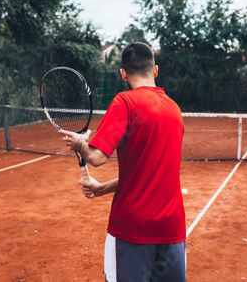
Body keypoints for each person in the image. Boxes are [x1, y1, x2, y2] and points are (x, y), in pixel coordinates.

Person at [59, 42, 186, 282]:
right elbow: (148, 173)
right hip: (172, 228)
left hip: (132, 228)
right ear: (155, 70)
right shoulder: (175, 110)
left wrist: (80, 144)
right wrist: (102, 188)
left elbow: (96, 157)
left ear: (123, 74)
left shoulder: (125, 102)